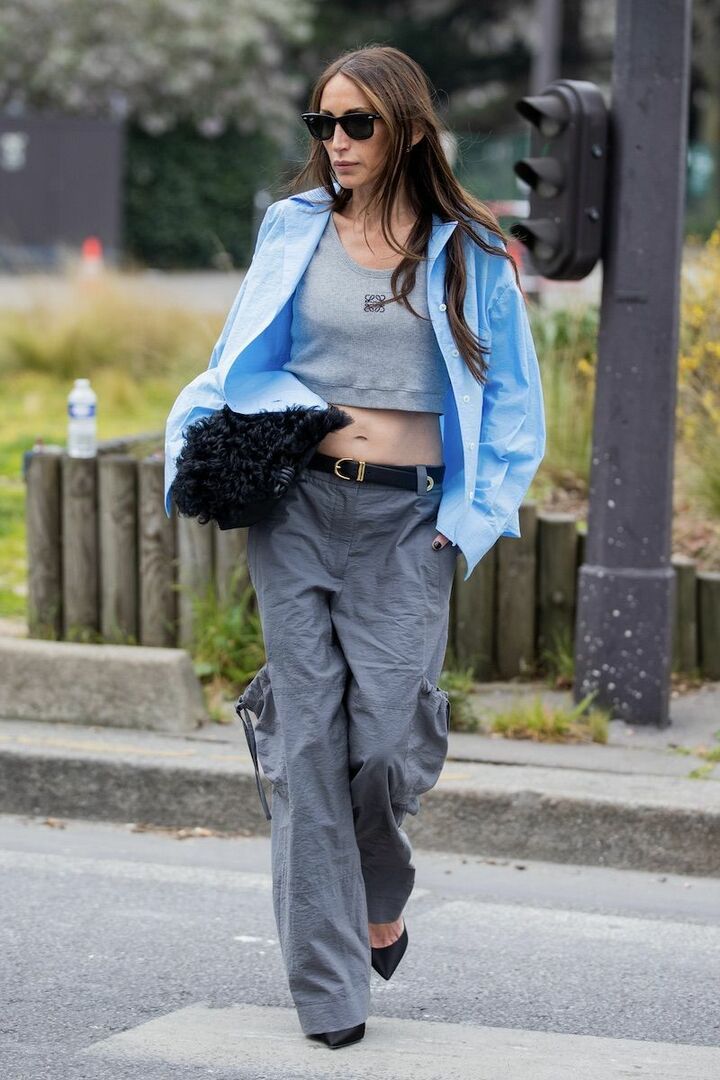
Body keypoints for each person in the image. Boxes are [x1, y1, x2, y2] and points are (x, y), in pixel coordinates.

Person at [163, 44, 545, 1051]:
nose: (336, 141)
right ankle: (330, 993)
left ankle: (382, 884)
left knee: (383, 741)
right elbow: (238, 363)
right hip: (298, 510)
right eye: (322, 124)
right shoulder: (292, 229)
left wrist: (467, 521)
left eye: (356, 124)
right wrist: (205, 447)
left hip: (410, 523)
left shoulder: (471, 249)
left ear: (409, 129)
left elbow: (514, 401)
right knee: (308, 747)